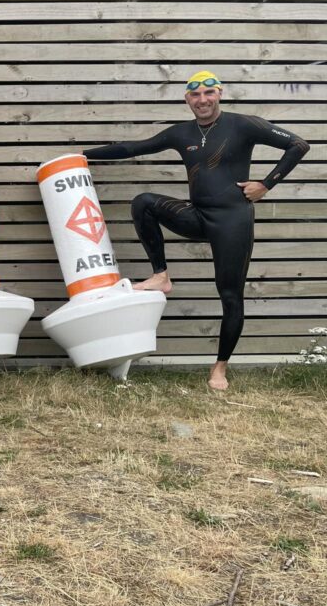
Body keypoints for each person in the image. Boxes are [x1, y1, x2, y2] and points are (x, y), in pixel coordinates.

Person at [82, 70, 309, 391]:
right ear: (187, 99)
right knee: (144, 202)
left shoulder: (243, 124)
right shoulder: (181, 132)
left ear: (219, 94)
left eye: (208, 93)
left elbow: (299, 145)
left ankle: (219, 369)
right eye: (195, 94)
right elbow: (134, 148)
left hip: (233, 222)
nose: (202, 100)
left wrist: (266, 184)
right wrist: (82, 157)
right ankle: (160, 275)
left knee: (230, 296)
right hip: (198, 216)